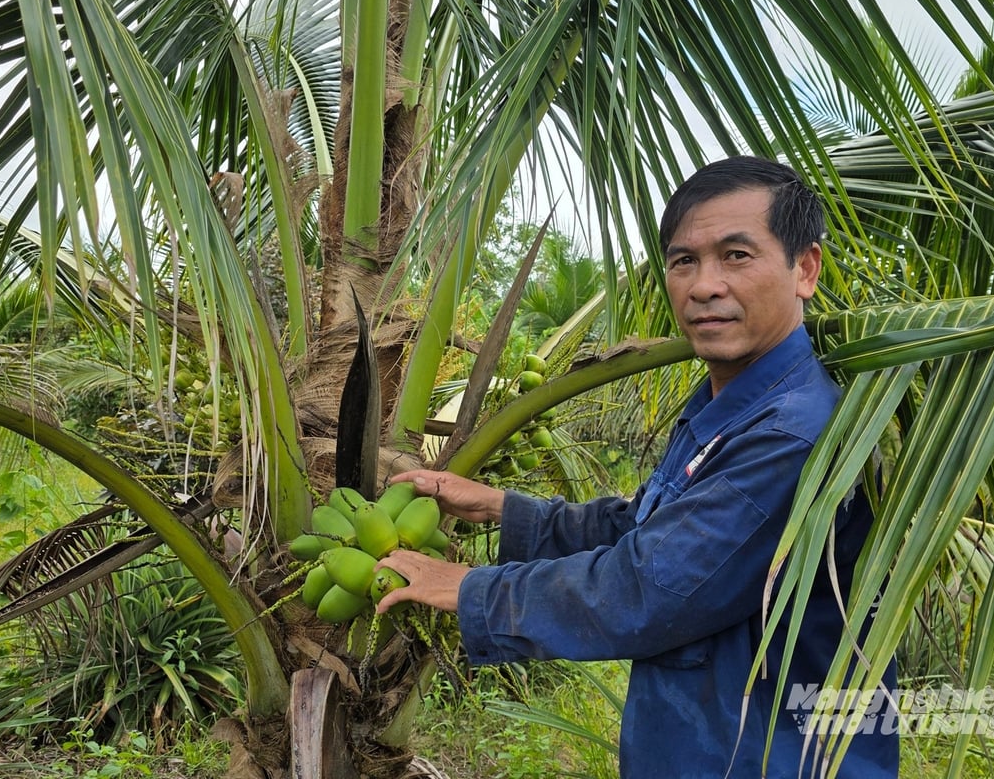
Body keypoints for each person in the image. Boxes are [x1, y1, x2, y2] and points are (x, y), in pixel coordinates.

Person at [376, 156, 899, 777]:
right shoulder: (728, 405)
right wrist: (499, 507)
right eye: (685, 261)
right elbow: (649, 527)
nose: (705, 285)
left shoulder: (794, 434)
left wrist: (468, 588)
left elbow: (648, 586)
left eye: (736, 255)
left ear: (804, 268)